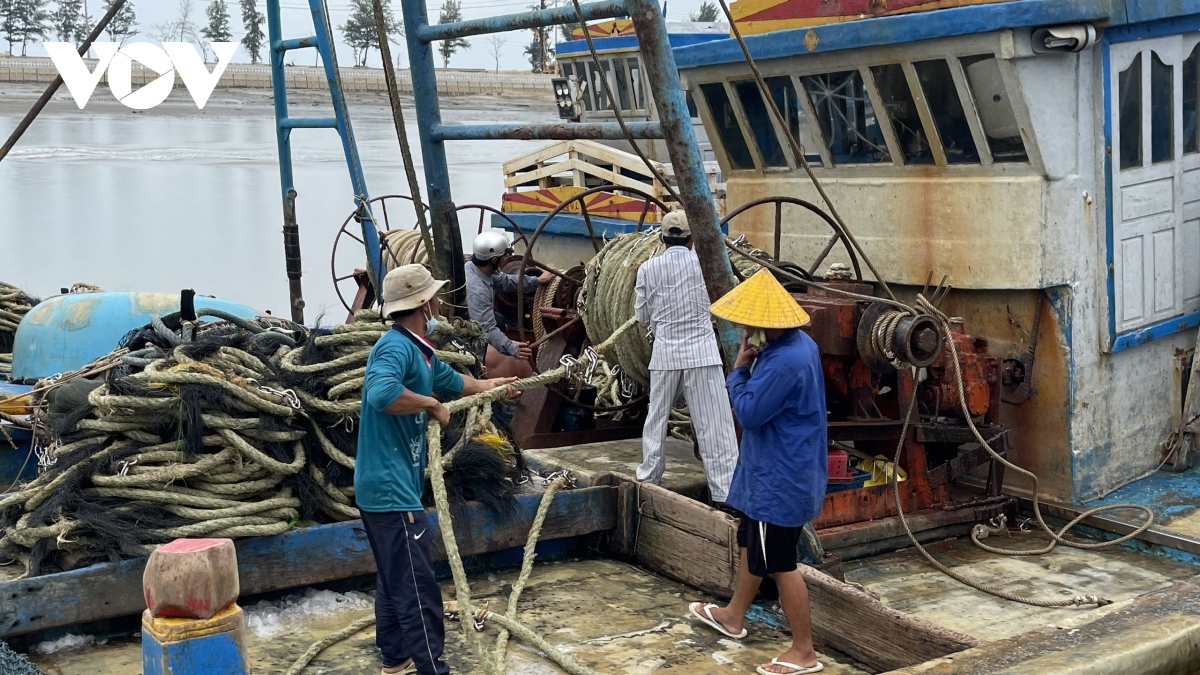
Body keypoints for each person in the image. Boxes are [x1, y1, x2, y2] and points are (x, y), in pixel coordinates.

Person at [357, 263, 520, 675]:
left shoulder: (421, 350)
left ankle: (396, 659)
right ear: (424, 304)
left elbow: (457, 383)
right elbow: (381, 393)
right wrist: (430, 405)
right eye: (435, 297)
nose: (440, 303)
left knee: (394, 578)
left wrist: (494, 387)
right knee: (417, 585)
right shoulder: (395, 348)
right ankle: (433, 668)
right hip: (390, 490)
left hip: (386, 489)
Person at [688, 268, 827, 675]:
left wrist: (738, 371)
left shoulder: (783, 362)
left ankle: (804, 651)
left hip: (779, 478)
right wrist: (753, 363)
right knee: (752, 543)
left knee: (782, 563)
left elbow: (749, 412)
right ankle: (733, 615)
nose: (745, 327)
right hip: (778, 468)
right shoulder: (799, 345)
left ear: (765, 322)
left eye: (749, 322)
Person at [633, 210, 739, 506]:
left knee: (656, 418)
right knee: (714, 423)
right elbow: (723, 305)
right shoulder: (706, 265)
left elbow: (641, 315)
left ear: (662, 238)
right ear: (692, 239)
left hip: (665, 355)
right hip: (702, 355)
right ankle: (724, 491)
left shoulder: (647, 269)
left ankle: (649, 476)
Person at [465, 229, 553, 378]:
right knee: (495, 326)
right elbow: (486, 329)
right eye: (504, 256)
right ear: (494, 260)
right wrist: (511, 347)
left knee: (499, 320)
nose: (506, 259)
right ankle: (476, 374)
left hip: (475, 318)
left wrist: (535, 281)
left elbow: (503, 280)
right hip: (470, 332)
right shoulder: (478, 291)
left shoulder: (474, 267)